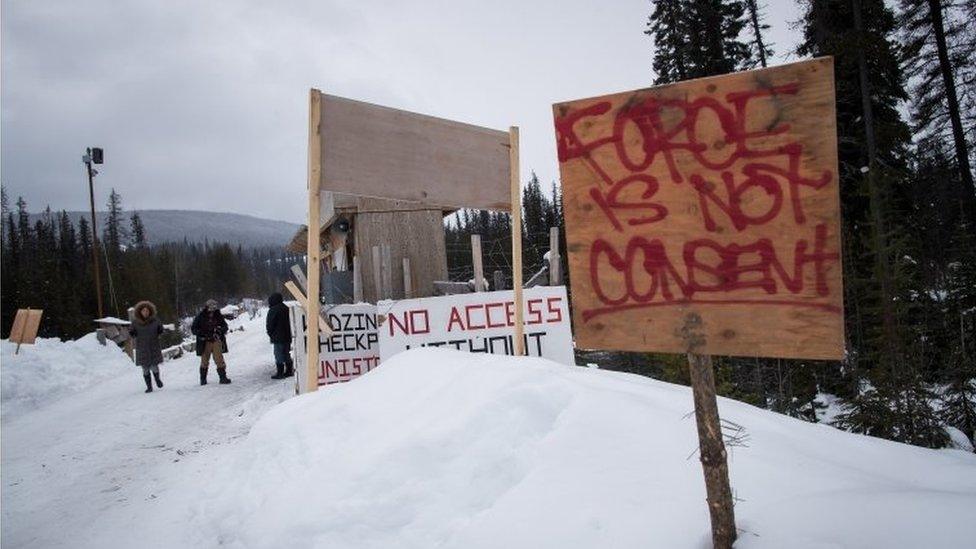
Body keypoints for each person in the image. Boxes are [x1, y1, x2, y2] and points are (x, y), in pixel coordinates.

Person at [191, 299, 231, 385]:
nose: (212, 309)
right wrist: (202, 334)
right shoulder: (200, 316)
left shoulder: (218, 315)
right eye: (211, 307)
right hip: (204, 341)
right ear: (207, 307)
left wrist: (220, 330)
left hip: (216, 340)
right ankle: (203, 379)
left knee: (219, 359)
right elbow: (193, 329)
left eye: (214, 307)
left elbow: (225, 326)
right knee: (204, 361)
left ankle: (223, 378)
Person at [129, 300, 164, 393]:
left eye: (147, 310)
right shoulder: (135, 322)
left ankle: (157, 379)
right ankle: (149, 387)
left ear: (150, 311)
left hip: (153, 346)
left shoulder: (155, 320)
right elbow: (132, 332)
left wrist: (160, 331)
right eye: (143, 310)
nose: (145, 312)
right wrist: (132, 333)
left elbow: (160, 329)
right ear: (140, 311)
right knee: (145, 368)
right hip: (142, 347)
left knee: (154, 366)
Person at [266, 292, 294, 379]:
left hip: (277, 337)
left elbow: (270, 324)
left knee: (278, 354)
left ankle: (280, 372)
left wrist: (270, 333)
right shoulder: (286, 308)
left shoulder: (273, 310)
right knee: (286, 353)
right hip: (287, 336)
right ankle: (289, 370)